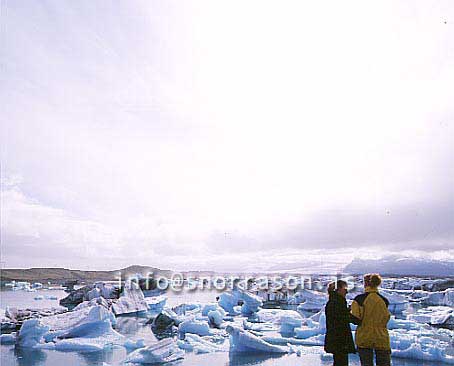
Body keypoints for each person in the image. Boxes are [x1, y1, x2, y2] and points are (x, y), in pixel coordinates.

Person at [351, 273, 391, 366]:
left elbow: (356, 319)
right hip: (382, 337)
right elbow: (385, 317)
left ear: (366, 284)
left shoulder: (359, 299)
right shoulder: (384, 300)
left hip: (364, 337)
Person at [324, 279, 358, 366]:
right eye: (345, 289)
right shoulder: (337, 302)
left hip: (335, 338)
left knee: (339, 361)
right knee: (341, 362)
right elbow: (342, 317)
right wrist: (358, 320)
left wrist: (347, 311)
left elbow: (339, 316)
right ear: (338, 290)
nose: (346, 292)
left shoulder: (334, 301)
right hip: (340, 339)